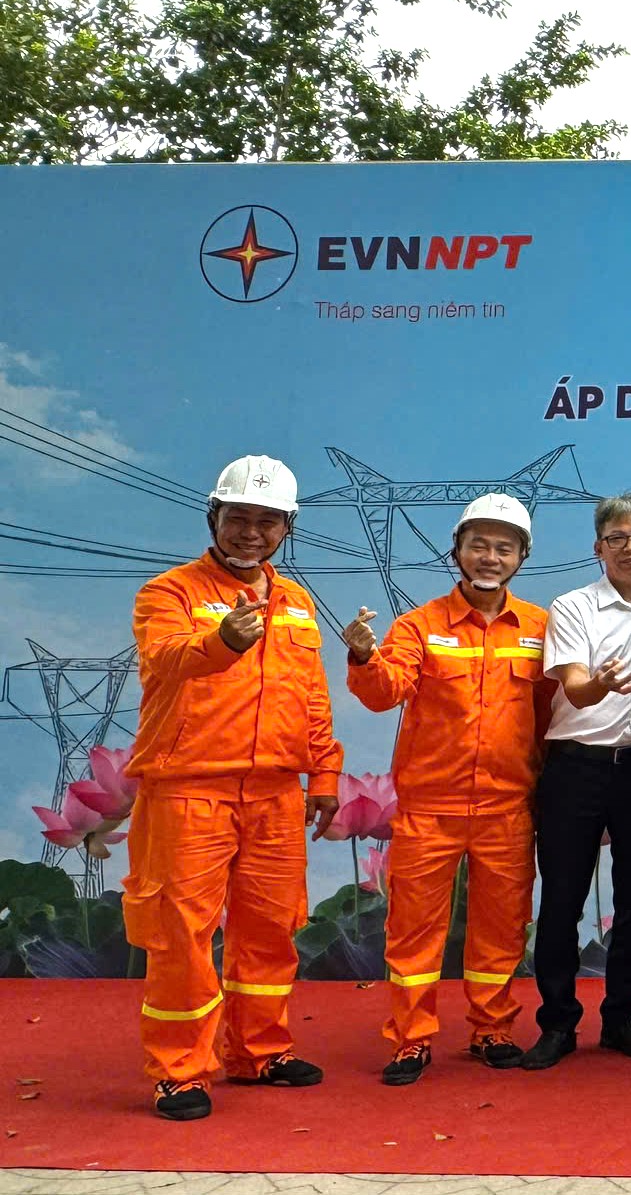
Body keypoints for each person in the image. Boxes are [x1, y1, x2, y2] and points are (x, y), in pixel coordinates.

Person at [126, 455, 343, 1121]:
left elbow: (311, 697)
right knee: (181, 935)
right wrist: (222, 639)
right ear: (213, 517)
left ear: (287, 528)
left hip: (275, 792)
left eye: (268, 521)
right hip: (189, 788)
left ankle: (259, 1051)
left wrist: (324, 772)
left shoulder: (297, 603)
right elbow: (163, 659)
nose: (252, 532)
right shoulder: (168, 593)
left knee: (271, 929)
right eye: (239, 517)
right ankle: (180, 1071)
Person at [345, 493, 547, 1085]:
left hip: (508, 808)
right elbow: (384, 693)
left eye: (504, 548)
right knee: (414, 930)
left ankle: (492, 1030)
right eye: (478, 545)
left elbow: (552, 714)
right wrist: (364, 656)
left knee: (502, 926)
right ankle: (411, 1040)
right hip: (429, 809)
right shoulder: (420, 625)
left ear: (522, 557)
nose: (490, 557)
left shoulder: (540, 628)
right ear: (457, 551)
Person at [524, 493, 631, 1071]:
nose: (630, 548)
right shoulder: (573, 606)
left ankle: (623, 1017)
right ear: (598, 548)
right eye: (617, 538)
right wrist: (602, 684)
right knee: (562, 900)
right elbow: (573, 687)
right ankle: (557, 1023)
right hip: (577, 767)